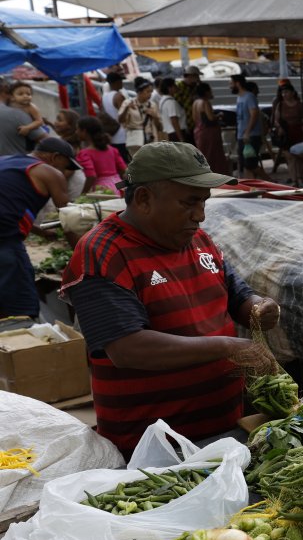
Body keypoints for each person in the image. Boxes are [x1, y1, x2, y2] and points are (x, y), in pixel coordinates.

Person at [60, 141, 281, 456]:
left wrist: (260, 307)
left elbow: (238, 295)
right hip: (154, 448)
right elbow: (128, 348)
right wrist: (227, 346)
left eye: (203, 202)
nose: (200, 215)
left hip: (224, 429)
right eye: (189, 202)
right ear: (144, 199)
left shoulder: (199, 240)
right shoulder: (103, 252)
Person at [0, 137, 80, 317]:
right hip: (5, 241)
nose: (64, 171)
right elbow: (68, 220)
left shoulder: (6, 161)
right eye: (65, 166)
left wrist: (39, 231)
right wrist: (81, 254)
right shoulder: (50, 173)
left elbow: (8, 203)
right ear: (55, 157)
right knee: (22, 306)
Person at [77, 116, 127, 194]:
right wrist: (126, 185)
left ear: (84, 131)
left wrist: (83, 194)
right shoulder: (112, 150)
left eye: (77, 129)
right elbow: (125, 171)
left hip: (101, 190)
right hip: (118, 186)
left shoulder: (85, 153)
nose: (76, 132)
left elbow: (91, 176)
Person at [231, 75, 268, 180]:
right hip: (242, 135)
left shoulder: (249, 96)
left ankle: (270, 181)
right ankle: (251, 186)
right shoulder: (240, 97)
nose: (230, 86)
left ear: (238, 83)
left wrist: (247, 132)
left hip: (250, 135)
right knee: (246, 165)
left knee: (250, 164)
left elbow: (254, 114)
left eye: (231, 83)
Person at [273, 83, 303, 186]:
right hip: (286, 134)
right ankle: (294, 179)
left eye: (286, 92)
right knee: (290, 157)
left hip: (298, 132)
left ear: (292, 93)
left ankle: (300, 176)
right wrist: (279, 127)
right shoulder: (280, 105)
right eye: (283, 92)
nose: (284, 94)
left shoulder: (300, 105)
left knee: (300, 156)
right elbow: (276, 120)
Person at [191, 82, 229, 175]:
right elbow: (211, 118)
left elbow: (194, 118)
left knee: (203, 155)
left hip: (198, 131)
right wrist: (219, 115)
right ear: (206, 92)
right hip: (209, 133)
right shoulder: (205, 102)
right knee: (213, 156)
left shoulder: (195, 102)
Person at [119, 77, 161, 155]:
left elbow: (159, 127)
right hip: (135, 141)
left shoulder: (152, 105)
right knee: (137, 160)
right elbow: (120, 120)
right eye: (147, 91)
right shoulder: (128, 103)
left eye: (151, 92)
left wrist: (155, 116)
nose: (150, 94)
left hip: (150, 140)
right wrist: (126, 108)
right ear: (139, 91)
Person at [102, 71, 130, 161]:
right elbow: (125, 115)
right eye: (121, 81)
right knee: (126, 160)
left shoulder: (104, 96)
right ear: (117, 82)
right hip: (122, 134)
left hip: (111, 133)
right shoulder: (119, 96)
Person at [175, 66, 205, 144]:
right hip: (184, 123)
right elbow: (179, 105)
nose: (198, 78)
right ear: (191, 76)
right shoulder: (179, 86)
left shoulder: (196, 87)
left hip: (196, 122)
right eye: (197, 76)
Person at [157, 78, 186, 142]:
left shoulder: (162, 100)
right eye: (174, 85)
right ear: (169, 88)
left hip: (168, 133)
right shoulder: (171, 102)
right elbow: (174, 121)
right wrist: (181, 139)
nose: (177, 87)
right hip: (175, 134)